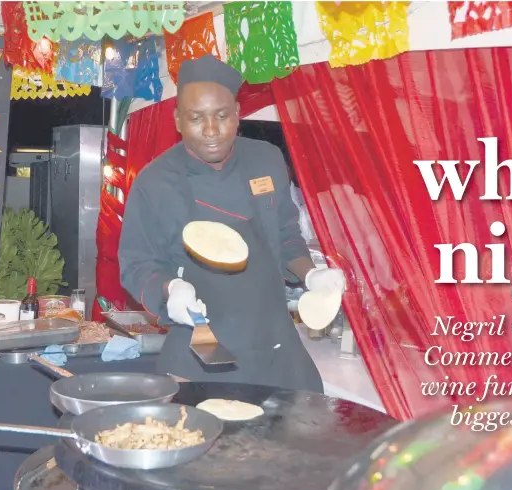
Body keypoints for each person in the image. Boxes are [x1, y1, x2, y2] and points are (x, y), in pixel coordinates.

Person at [118, 56, 345, 392]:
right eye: (197, 118)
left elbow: (284, 236)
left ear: (238, 114)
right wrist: (171, 290)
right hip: (203, 349)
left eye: (222, 116)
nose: (211, 130)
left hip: (275, 348)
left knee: (299, 433)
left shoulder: (265, 160)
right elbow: (136, 264)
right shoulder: (154, 182)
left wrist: (311, 274)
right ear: (178, 120)